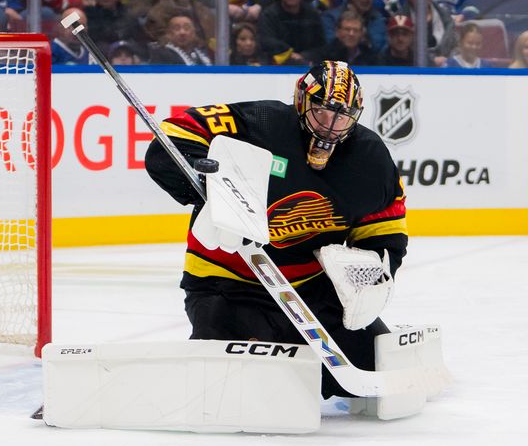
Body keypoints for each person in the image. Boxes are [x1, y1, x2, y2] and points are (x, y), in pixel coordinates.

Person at [144, 61, 408, 399]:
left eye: (342, 117)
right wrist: (204, 176)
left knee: (373, 368)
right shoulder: (260, 123)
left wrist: (367, 280)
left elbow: (386, 232)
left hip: (310, 292)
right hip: (226, 284)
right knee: (242, 388)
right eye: (322, 112)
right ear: (301, 101)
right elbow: (173, 137)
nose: (330, 127)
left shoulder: (370, 159)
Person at [257, 0, 324, 65]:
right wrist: (289, 54)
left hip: (308, 66)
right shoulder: (269, 15)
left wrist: (305, 56)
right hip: (275, 67)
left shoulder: (312, 14)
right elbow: (266, 41)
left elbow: (321, 46)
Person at [321, 0, 388, 53]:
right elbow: (330, 46)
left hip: (368, 63)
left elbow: (378, 47)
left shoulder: (377, 18)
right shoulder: (330, 17)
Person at [309, 9, 378, 65]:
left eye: (356, 30)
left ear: (362, 33)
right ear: (337, 32)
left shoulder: (371, 56)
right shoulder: (324, 56)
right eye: (347, 29)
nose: (351, 34)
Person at [148, 13, 213, 66]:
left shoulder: (201, 53)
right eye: (176, 28)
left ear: (194, 33)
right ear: (169, 34)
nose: (182, 32)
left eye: (186, 28)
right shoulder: (161, 55)